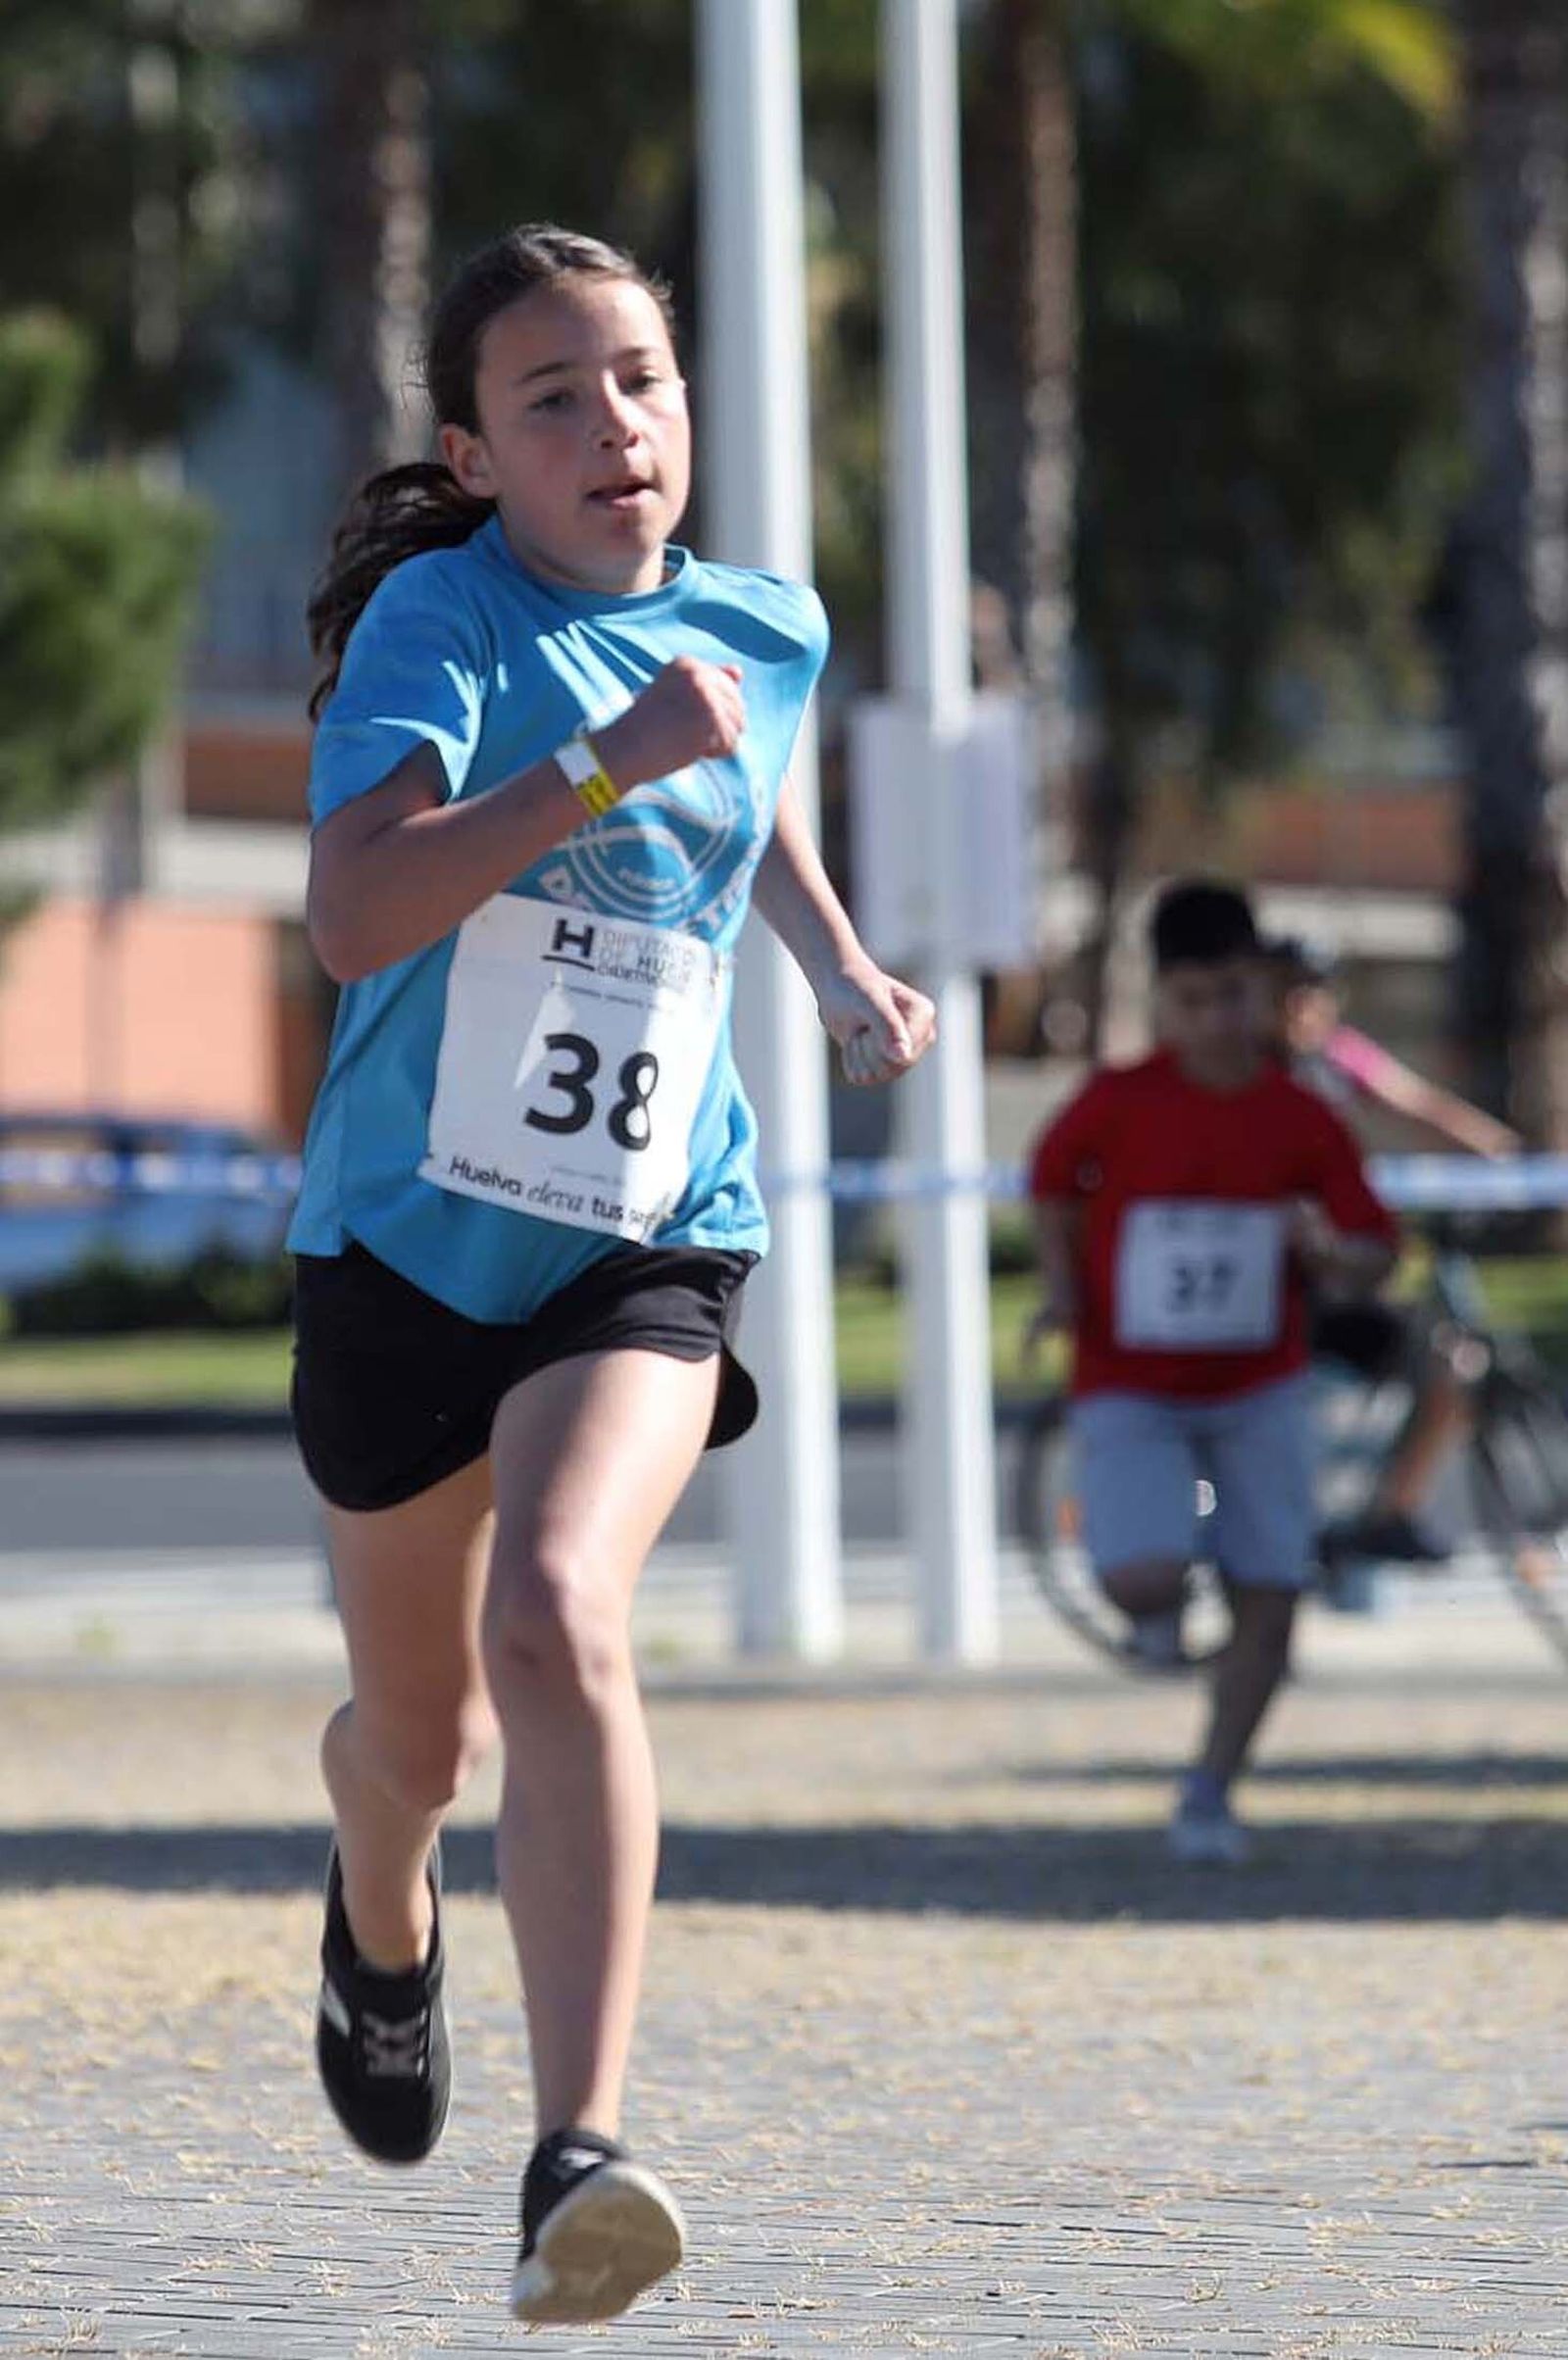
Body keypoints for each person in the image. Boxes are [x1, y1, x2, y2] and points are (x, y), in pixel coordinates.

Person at [287, 222, 935, 2326]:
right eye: (553, 397)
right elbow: (355, 918)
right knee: (420, 1740)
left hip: (644, 1225)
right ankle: (380, 1908)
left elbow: (749, 788)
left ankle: (578, 2151)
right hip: (405, 1243)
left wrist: (836, 963)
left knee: (561, 1602)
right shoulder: (440, 623)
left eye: (640, 379)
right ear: (478, 455)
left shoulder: (765, 622)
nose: (614, 425)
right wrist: (596, 761)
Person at [1026, 881, 1397, 1865]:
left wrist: (1329, 1250)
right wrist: (1061, 1287)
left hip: (1260, 1387)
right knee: (1142, 1577)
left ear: (1262, 990)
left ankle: (1210, 1788)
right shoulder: (1117, 1100)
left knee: (1271, 1595)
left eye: (1232, 995)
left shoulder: (1301, 1116)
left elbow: (1374, 1248)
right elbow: (1051, 1184)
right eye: (1191, 1000)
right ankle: (1166, 1585)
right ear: (1161, 999)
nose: (1215, 1021)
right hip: (1128, 1382)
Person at [1264, 936, 1520, 1566]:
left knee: (1453, 1362)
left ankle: (1390, 1512)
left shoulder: (1337, 1059)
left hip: (1334, 1282)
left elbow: (1419, 1104)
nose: (1300, 1007)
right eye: (1285, 992)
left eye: (1311, 993)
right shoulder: (1239, 1071)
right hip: (1261, 1292)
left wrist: (1502, 1154)